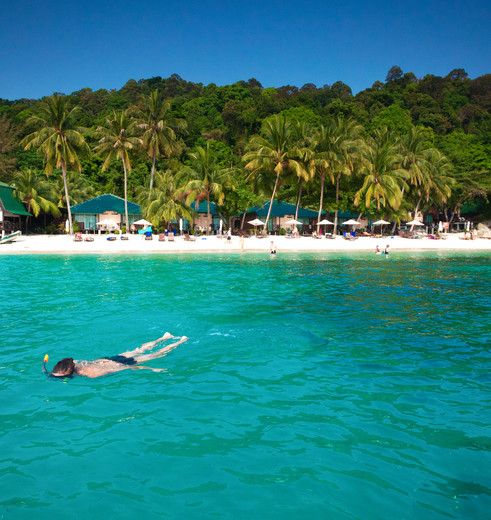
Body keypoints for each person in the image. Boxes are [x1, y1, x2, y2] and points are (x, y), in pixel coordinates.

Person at [42, 333, 188, 379]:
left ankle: (181, 340)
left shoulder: (90, 374)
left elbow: (122, 368)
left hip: (118, 363)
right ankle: (165, 337)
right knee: (138, 349)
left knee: (157, 354)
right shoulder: (77, 362)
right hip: (110, 358)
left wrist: (149, 369)